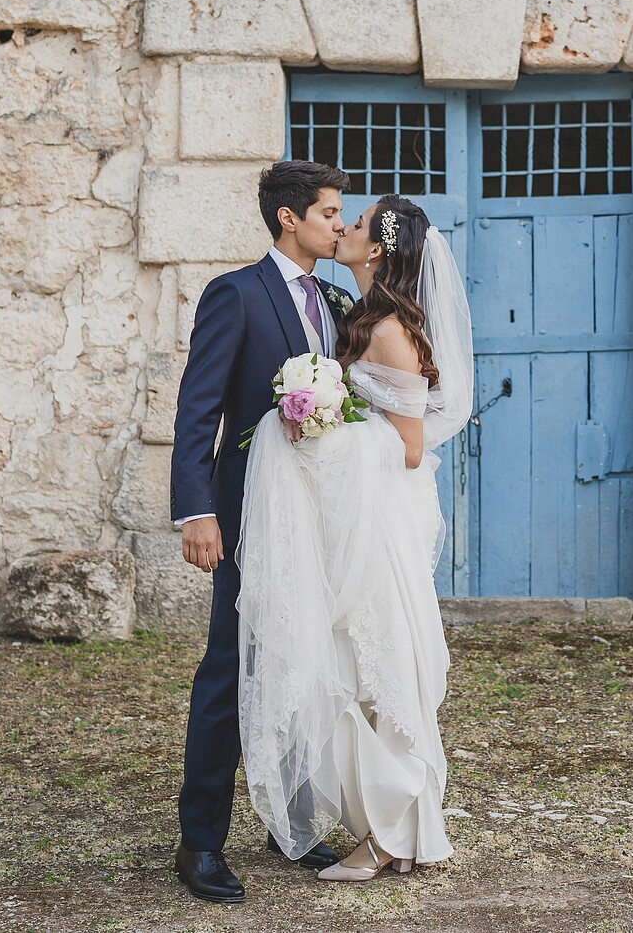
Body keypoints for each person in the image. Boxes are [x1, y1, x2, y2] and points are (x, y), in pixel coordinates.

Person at [236, 194, 473, 882]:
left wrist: (319, 426)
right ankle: (395, 830)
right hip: (352, 520)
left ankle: (390, 835)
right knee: (349, 667)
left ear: (377, 250)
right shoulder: (356, 316)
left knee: (378, 672)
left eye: (359, 223)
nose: (344, 227)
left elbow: (405, 444)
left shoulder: (391, 329)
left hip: (379, 526)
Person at [169, 160, 354, 905]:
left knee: (308, 659)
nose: (340, 224)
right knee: (229, 668)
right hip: (249, 516)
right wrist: (197, 510)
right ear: (289, 218)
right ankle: (201, 842)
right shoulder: (237, 294)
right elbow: (197, 409)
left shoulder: (334, 300)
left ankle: (294, 822)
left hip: (319, 514)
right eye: (331, 212)